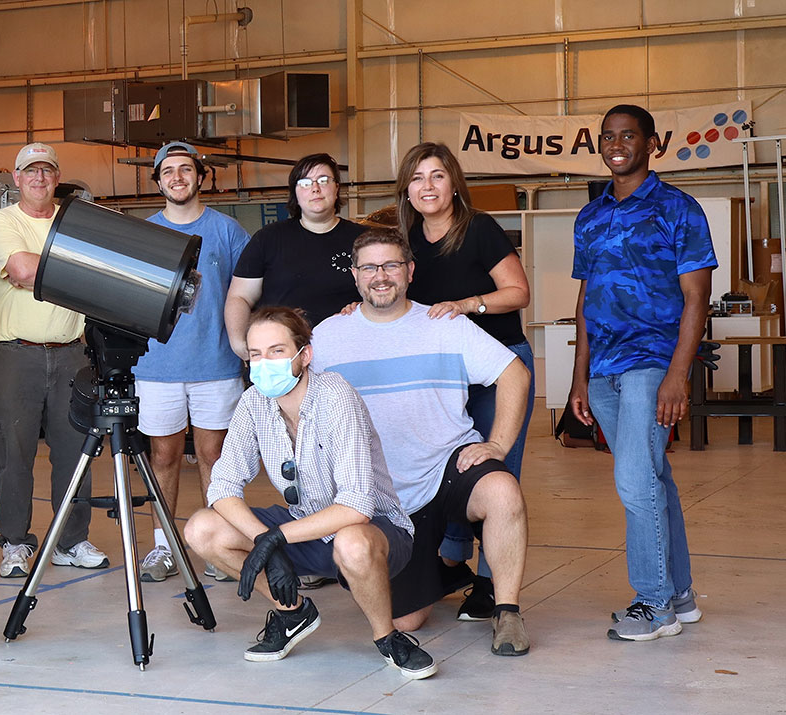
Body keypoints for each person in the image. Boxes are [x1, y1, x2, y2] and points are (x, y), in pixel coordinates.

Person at [182, 307, 436, 680]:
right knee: (201, 529)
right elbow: (221, 488)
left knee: (351, 542)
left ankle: (388, 638)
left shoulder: (335, 395)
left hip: (375, 532)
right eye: (256, 354)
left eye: (277, 351)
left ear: (305, 355)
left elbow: (356, 505)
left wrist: (273, 541)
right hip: (304, 526)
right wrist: (263, 540)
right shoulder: (254, 403)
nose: (264, 363)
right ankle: (294, 612)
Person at [312, 229, 532, 657]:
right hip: (378, 495)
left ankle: (507, 613)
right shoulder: (328, 336)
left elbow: (515, 373)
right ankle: (438, 571)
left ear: (410, 271)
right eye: (370, 267)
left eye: (391, 265)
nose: (381, 276)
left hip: (444, 469)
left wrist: (498, 446)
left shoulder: (444, 325)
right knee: (406, 622)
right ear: (355, 276)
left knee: (503, 491)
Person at [570, 104, 714, 642]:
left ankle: (654, 605)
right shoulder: (591, 215)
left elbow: (697, 298)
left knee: (634, 481)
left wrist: (679, 373)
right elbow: (586, 299)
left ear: (651, 143)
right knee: (654, 478)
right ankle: (679, 592)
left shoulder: (678, 208)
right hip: (603, 366)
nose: (616, 144)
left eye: (628, 135)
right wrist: (578, 377)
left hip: (653, 361)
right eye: (607, 136)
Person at [393, 142, 533, 620]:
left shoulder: (479, 229)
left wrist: (468, 304)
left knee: (495, 472)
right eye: (417, 178)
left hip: (497, 369)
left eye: (436, 176)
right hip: (445, 377)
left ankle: (493, 586)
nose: (427, 186)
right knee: (446, 469)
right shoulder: (406, 240)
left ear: (454, 183)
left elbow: (518, 292)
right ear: (406, 190)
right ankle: (452, 562)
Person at [0, 142, 107, 578]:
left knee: (76, 451)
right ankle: (15, 542)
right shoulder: (1, 221)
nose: (39, 178)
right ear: (16, 179)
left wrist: (45, 269)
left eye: (47, 171)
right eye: (30, 171)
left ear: (57, 178)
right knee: (13, 452)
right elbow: (21, 270)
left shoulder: (73, 222)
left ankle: (70, 541)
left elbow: (94, 276)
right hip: (16, 354)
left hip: (72, 353)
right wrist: (70, 269)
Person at [133, 142, 250, 583]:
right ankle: (164, 547)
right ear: (158, 180)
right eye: (168, 171)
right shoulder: (146, 232)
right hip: (157, 367)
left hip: (216, 364)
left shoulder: (227, 231)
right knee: (161, 456)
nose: (177, 177)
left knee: (214, 455)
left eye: (186, 169)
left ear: (201, 177)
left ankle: (216, 544)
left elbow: (249, 292)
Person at [226, 153, 365, 360]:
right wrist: (240, 345)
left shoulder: (363, 240)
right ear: (295, 192)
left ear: (337, 187)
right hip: (281, 358)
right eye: (305, 182)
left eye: (324, 180)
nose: (315, 188)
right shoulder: (268, 238)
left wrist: (363, 307)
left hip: (348, 353)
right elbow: (240, 297)